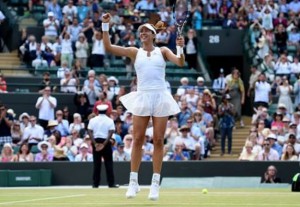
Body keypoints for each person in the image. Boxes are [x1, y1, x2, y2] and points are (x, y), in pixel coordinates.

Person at [102, 13, 185, 200]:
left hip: (160, 96)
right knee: (138, 138)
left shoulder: (163, 51)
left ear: (154, 35)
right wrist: (105, 25)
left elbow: (180, 62)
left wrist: (180, 48)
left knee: (157, 140)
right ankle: (133, 182)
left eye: (147, 31)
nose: (143, 33)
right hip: (143, 95)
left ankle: (155, 184)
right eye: (141, 31)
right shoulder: (134, 51)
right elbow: (108, 47)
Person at [87, 104, 118, 188]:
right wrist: (104, 143)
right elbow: (111, 132)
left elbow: (89, 131)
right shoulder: (109, 120)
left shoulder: (93, 120)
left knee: (96, 164)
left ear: (97, 111)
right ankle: (111, 184)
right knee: (108, 163)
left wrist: (95, 143)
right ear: (106, 111)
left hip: (96, 141)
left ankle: (95, 184)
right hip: (106, 141)